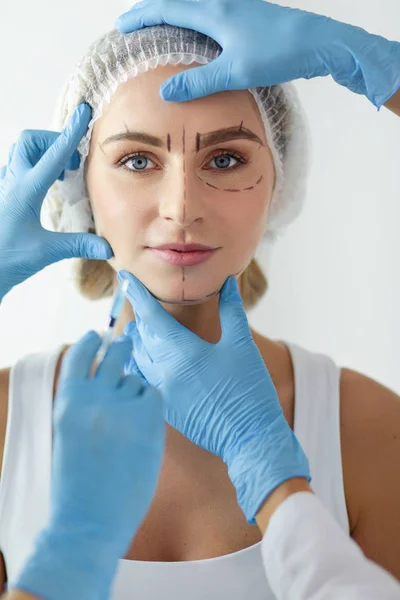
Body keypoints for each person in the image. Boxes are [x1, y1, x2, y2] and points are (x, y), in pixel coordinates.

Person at [0, 2, 400, 598]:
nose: (181, 206)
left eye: (225, 158)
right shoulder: (9, 420)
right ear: (78, 181)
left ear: (279, 182)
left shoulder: (368, 430)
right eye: (137, 160)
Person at [3, 313, 400, 600]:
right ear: (82, 199)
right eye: (137, 187)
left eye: (227, 187)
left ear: (275, 195)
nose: (181, 208)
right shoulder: (8, 409)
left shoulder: (371, 423)